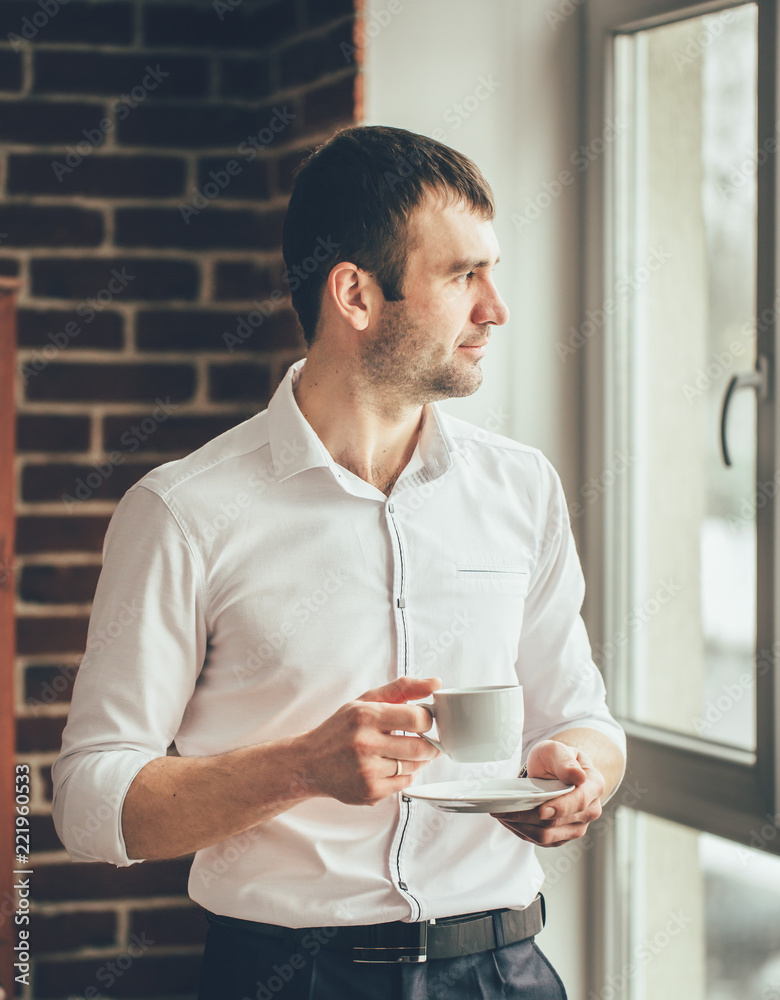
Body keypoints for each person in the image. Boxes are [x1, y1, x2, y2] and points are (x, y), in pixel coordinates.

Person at [52, 124, 627, 1000]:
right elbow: (90, 802)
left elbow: (582, 716)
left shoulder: (524, 487)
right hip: (288, 978)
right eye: (463, 275)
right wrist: (300, 769)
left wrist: (579, 776)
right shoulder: (182, 511)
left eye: (492, 271)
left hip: (507, 970)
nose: (496, 308)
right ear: (355, 295)